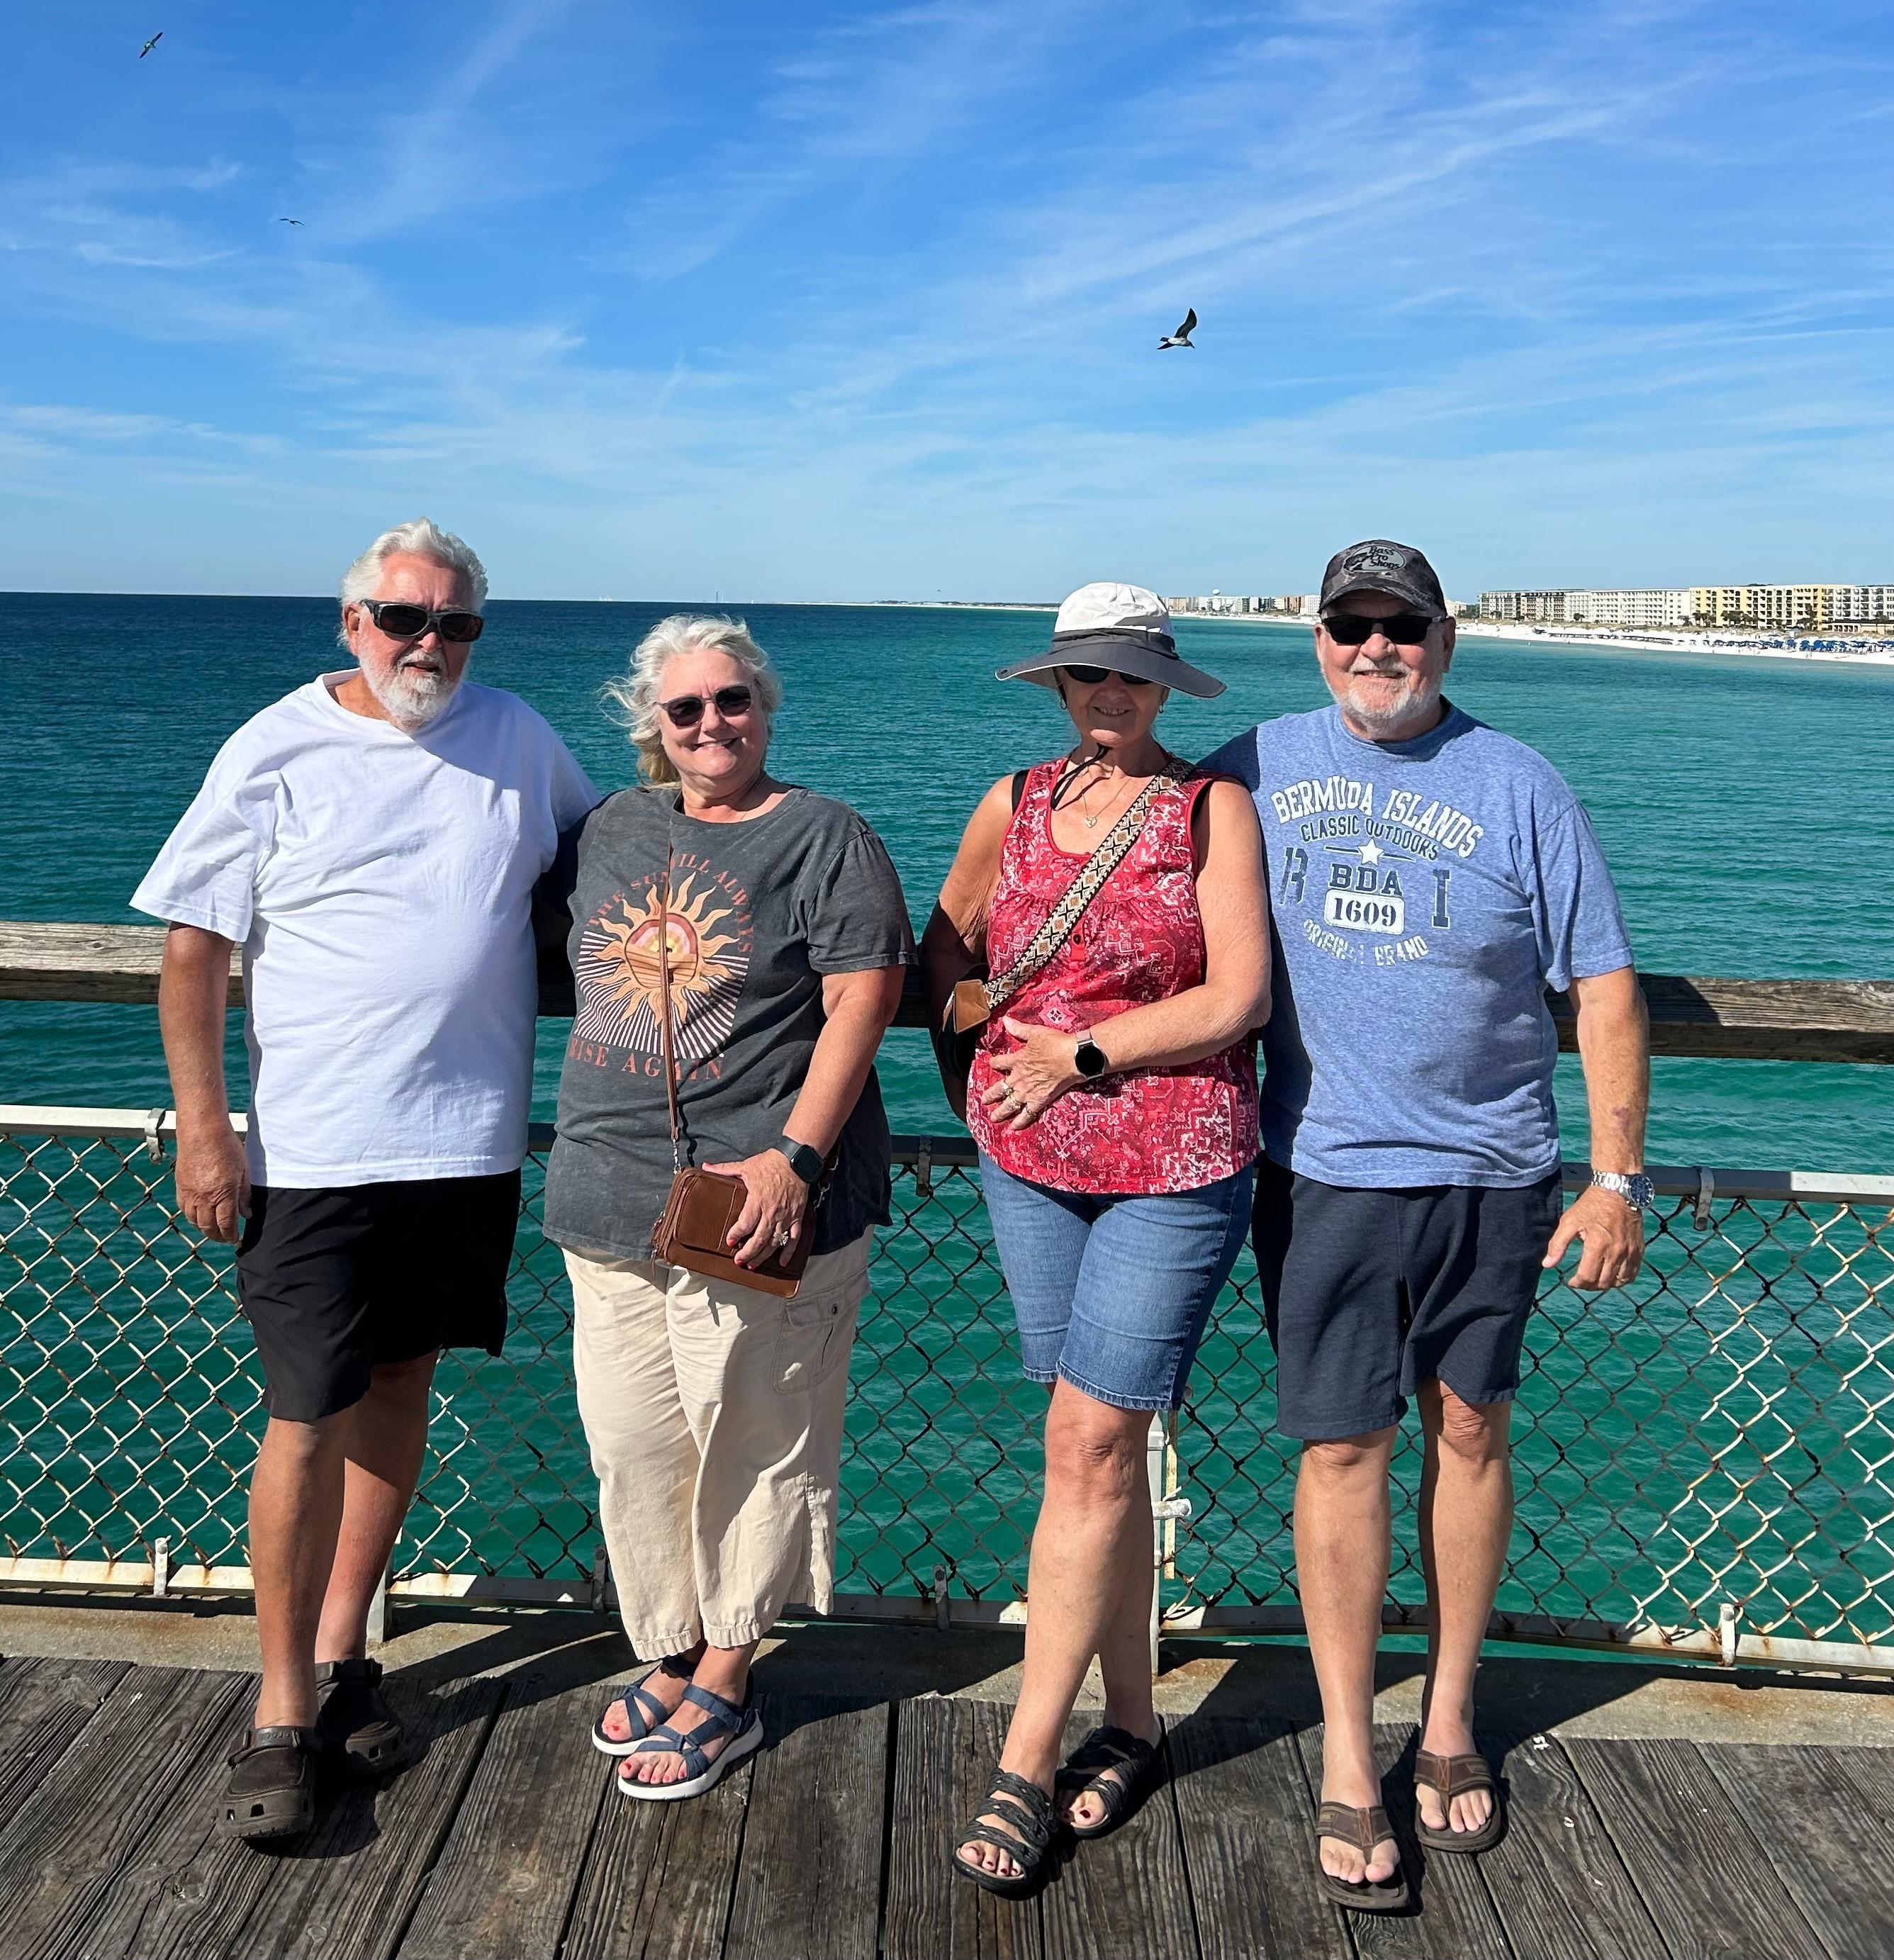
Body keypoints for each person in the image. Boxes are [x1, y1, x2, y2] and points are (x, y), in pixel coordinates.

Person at [1201, 539, 1650, 1912]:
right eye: (1351, 624)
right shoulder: (1249, 765)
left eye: (1401, 625)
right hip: (1323, 1172)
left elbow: (1603, 986)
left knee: (1469, 1431)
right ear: (1317, 641)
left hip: (1493, 1175)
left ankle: (1448, 1716)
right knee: (1343, 1447)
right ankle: (1348, 1750)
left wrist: (1617, 1179)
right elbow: (1129, 869)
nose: (1375, 647)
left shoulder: (1520, 784)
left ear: (1445, 641)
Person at [133, 517, 598, 1841]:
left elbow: (604, 860)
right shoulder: (273, 745)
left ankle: (345, 1654)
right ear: (353, 622)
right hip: (314, 1151)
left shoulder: (518, 737)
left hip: (466, 1141)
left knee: (402, 1383)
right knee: (305, 1414)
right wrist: (207, 1130)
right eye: (404, 617)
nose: (429, 643)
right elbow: (192, 947)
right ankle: (280, 1707)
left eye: (455, 623)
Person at [924, 584, 1270, 1895]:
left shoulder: (1208, 809)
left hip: (1175, 1162)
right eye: (1088, 676)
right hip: (1031, 1160)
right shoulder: (1014, 802)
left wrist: (1082, 1051)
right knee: (1094, 1446)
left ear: (1165, 686)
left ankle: (1026, 1755)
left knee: (1087, 1441)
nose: (1109, 693)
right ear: (1059, 686)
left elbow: (1240, 996)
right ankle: (1132, 1719)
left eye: (1131, 675)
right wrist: (979, 1051)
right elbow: (945, 948)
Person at [542, 613, 912, 1802]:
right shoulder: (611, 826)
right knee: (636, 1441)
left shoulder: (827, 835)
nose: (714, 723)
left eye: (733, 699)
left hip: (758, 1202)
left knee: (756, 1435)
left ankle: (729, 1668)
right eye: (687, 707)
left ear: (766, 706)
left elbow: (866, 995)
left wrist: (795, 1158)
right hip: (609, 1192)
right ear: (653, 724)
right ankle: (671, 1640)